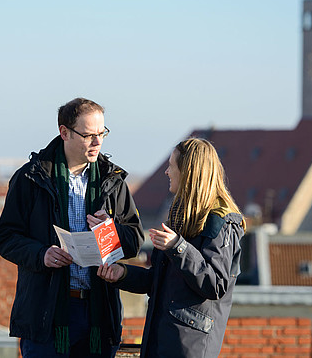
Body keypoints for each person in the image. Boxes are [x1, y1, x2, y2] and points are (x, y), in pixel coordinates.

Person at [0, 97, 144, 357]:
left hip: (98, 314)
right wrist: (42, 254)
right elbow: (6, 237)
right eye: (88, 135)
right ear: (64, 132)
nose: (98, 142)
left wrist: (110, 232)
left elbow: (134, 239)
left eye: (102, 133)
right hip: (47, 314)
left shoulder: (112, 181)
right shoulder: (31, 178)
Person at [97, 138, 246, 358]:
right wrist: (122, 274)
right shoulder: (181, 218)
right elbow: (157, 281)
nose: (166, 172)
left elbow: (216, 284)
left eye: (171, 166)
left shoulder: (221, 222)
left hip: (188, 348)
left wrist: (179, 248)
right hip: (162, 342)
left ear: (188, 173)